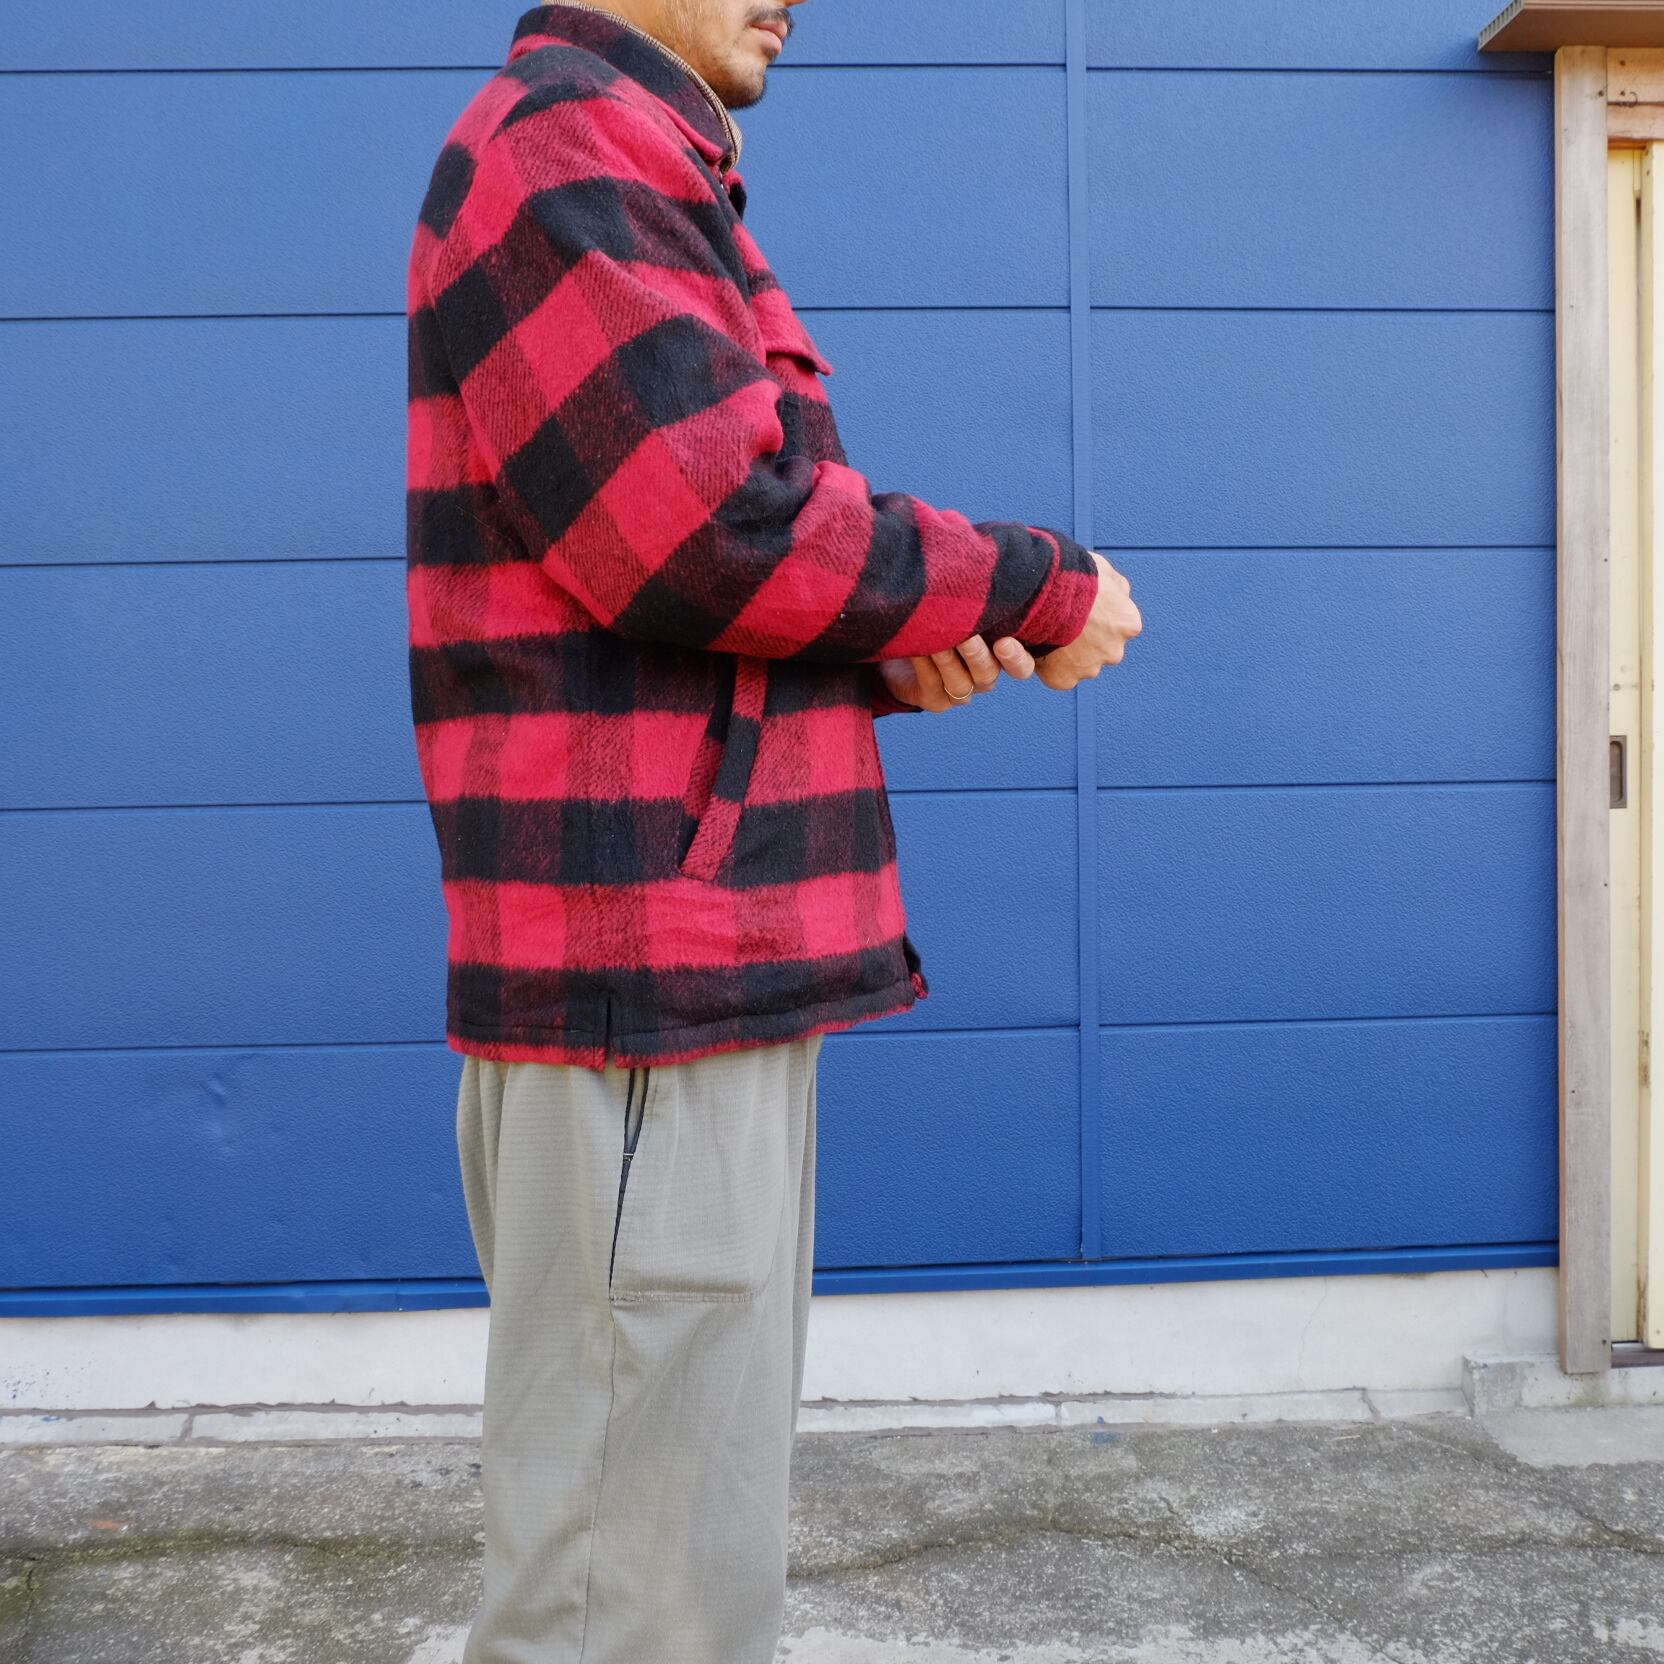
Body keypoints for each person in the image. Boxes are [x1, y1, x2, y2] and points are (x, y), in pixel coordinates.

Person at [405, 3, 1143, 1658]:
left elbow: (674, 561)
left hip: (688, 964)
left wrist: (884, 651)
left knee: (674, 1542)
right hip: (649, 976)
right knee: (629, 1586)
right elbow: (710, 530)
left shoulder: (634, 155)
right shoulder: (565, 149)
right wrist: (1034, 581)